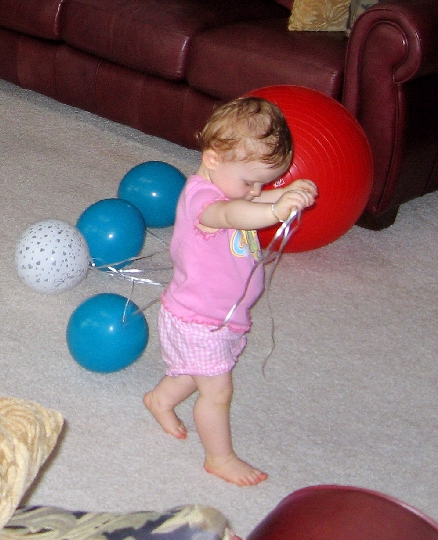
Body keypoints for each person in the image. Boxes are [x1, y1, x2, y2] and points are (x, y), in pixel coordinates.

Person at [144, 97, 318, 487]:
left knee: (194, 373)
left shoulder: (231, 185)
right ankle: (219, 458)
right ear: (212, 159)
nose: (257, 191)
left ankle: (160, 399)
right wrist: (275, 210)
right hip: (198, 319)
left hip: (223, 318)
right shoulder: (202, 199)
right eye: (250, 181)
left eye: (264, 183)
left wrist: (288, 194)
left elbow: (249, 201)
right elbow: (231, 214)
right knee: (217, 390)